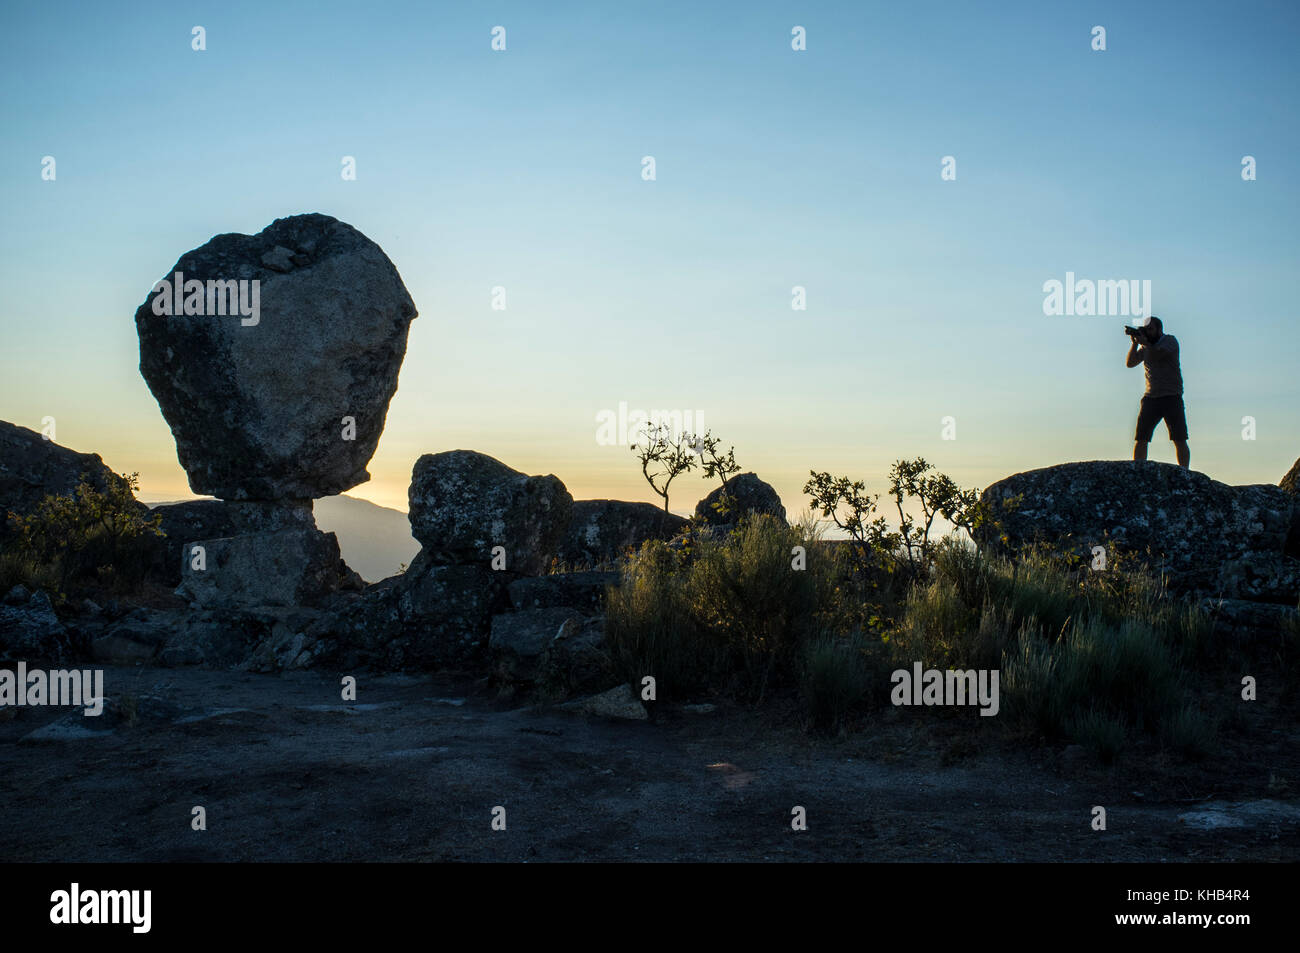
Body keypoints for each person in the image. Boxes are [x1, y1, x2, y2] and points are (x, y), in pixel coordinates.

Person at [1126, 315, 1189, 468]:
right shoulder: (1146, 346)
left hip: (1171, 397)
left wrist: (1145, 343)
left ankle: (1185, 471)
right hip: (1151, 398)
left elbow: (1158, 353)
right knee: (1141, 437)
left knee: (1179, 438)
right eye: (1146, 330)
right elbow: (1130, 363)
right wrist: (1135, 344)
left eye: (1151, 329)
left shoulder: (1170, 341)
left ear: (1159, 329)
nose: (1148, 332)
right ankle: (1139, 470)